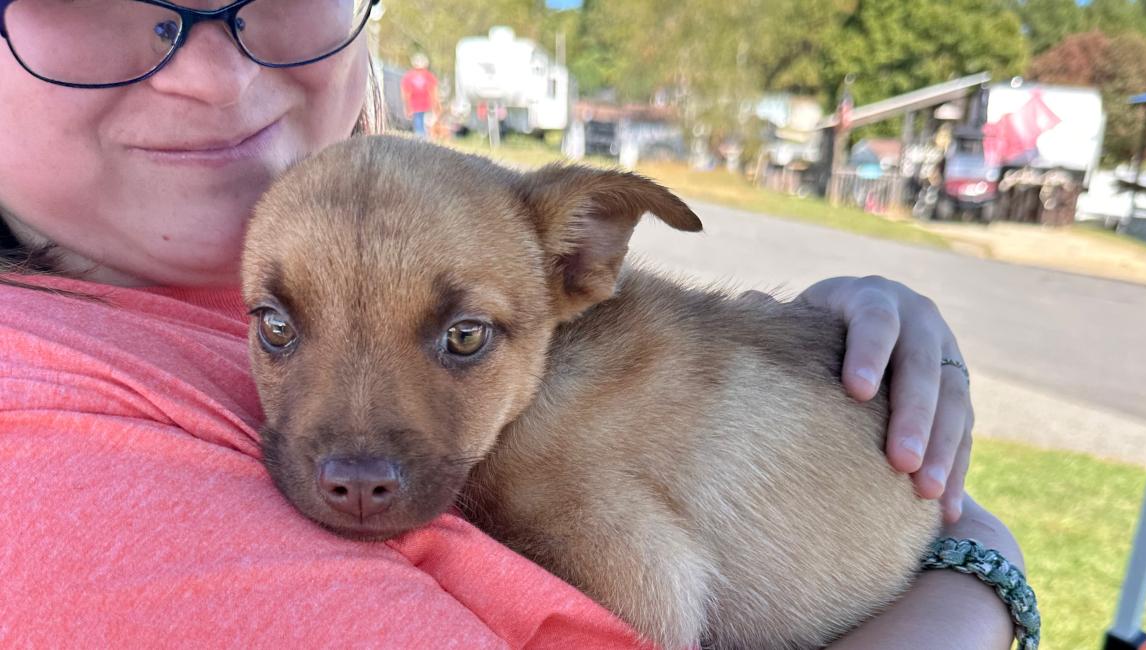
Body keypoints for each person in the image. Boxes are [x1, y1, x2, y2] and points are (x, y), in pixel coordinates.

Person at [0, 1, 1024, 647]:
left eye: (456, 340)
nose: (213, 71)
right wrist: (980, 569)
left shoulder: (450, 261)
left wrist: (835, 338)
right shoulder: (42, 453)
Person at [401, 52, 439, 138]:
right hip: (426, 106)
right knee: (425, 127)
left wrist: (407, 107)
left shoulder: (408, 77)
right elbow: (433, 93)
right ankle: (425, 142)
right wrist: (436, 106)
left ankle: (422, 142)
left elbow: (406, 94)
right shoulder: (429, 76)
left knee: (419, 128)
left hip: (416, 107)